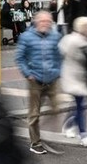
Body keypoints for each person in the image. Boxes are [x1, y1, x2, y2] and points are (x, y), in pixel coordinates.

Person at [15, 10, 62, 155]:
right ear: (36, 22)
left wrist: (58, 70)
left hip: (52, 79)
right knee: (34, 114)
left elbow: (60, 56)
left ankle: (44, 132)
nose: (45, 24)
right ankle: (35, 143)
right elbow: (20, 57)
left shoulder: (56, 36)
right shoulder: (26, 37)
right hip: (35, 79)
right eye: (42, 21)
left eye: (48, 21)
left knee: (56, 109)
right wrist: (27, 74)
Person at [58, 15, 87, 146]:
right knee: (81, 105)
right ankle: (83, 134)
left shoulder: (72, 39)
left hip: (77, 77)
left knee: (79, 103)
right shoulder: (78, 41)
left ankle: (68, 124)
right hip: (74, 77)